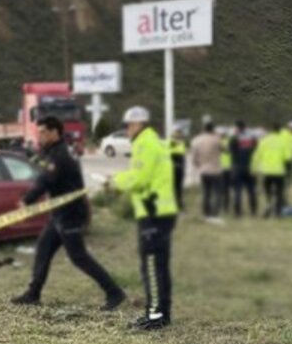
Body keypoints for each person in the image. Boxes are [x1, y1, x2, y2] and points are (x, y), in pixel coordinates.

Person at [11, 117, 125, 310]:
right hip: (58, 213)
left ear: (55, 132)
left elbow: (45, 181)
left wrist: (27, 200)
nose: (40, 136)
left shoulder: (61, 155)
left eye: (43, 132)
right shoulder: (53, 150)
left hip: (71, 213)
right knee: (43, 249)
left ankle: (114, 292)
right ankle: (33, 294)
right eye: (39, 132)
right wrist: (28, 154)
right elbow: (42, 165)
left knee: (79, 257)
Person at [112, 106, 177, 331]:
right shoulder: (152, 141)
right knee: (159, 266)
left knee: (151, 266)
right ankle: (161, 313)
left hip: (153, 213)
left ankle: (156, 315)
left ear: (139, 124)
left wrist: (114, 181)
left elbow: (140, 178)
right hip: (160, 211)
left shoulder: (145, 143)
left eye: (128, 126)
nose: (126, 130)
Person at [252, 124, 289, 217]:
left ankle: (268, 205)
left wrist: (253, 168)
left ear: (271, 130)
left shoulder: (264, 141)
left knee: (267, 190)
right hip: (279, 171)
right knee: (279, 192)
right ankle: (278, 212)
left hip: (266, 171)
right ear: (280, 131)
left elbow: (257, 156)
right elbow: (288, 157)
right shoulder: (283, 141)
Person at [190, 122, 224, 221]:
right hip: (216, 170)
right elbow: (224, 149)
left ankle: (206, 212)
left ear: (203, 129)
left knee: (206, 192)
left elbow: (194, 158)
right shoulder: (216, 139)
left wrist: (198, 165)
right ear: (213, 129)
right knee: (217, 193)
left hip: (203, 170)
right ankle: (214, 213)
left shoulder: (196, 140)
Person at [229, 121, 258, 217]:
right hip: (250, 167)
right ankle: (253, 211)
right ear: (245, 127)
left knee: (237, 191)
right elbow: (256, 149)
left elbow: (231, 152)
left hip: (238, 167)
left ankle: (237, 212)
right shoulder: (252, 138)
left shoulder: (234, 138)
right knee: (251, 190)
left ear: (237, 127)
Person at [169, 128, 187, 212]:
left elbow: (182, 154)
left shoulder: (181, 143)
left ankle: (179, 204)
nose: (178, 135)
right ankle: (175, 205)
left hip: (179, 168)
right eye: (177, 133)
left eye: (179, 134)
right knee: (174, 188)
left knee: (178, 188)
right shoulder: (171, 142)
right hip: (174, 167)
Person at [219, 134, 232, 214]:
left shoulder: (218, 143)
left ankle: (220, 205)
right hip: (229, 168)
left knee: (220, 189)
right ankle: (226, 206)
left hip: (220, 169)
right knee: (227, 189)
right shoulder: (230, 142)